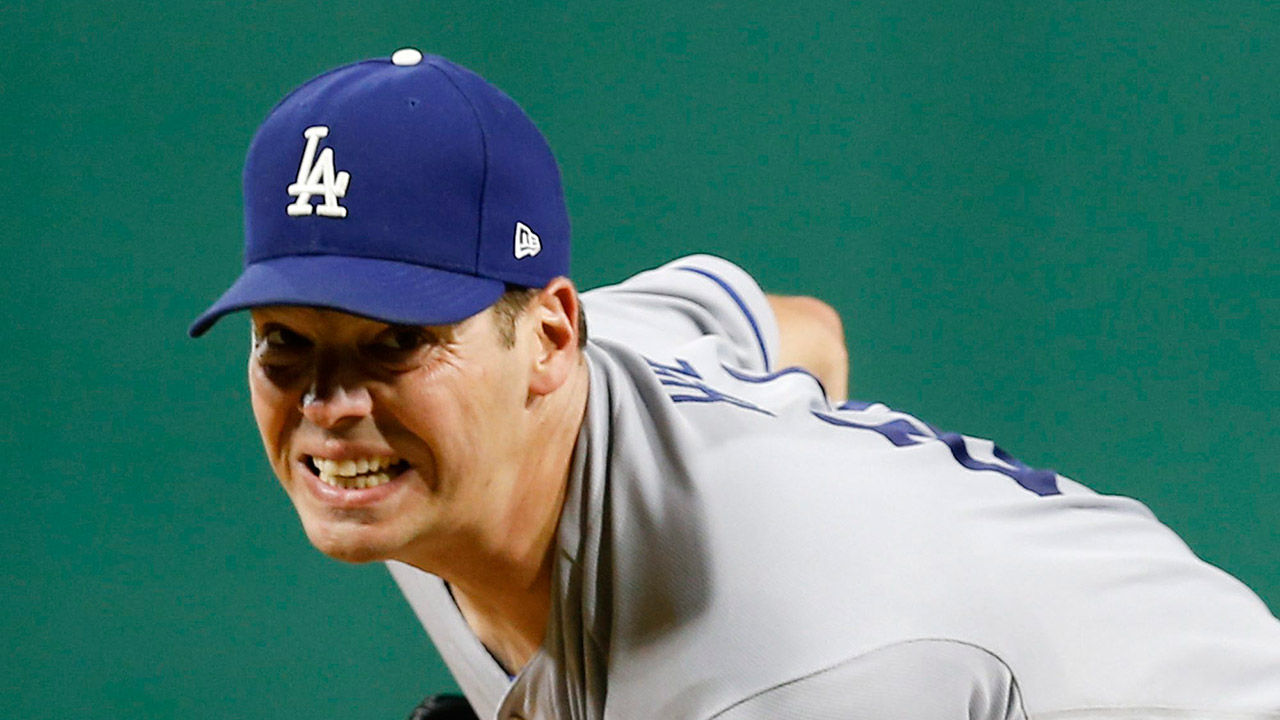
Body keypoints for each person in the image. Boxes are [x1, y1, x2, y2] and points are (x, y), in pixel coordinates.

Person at [190, 49, 1280, 720]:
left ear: (550, 337)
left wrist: (822, 516)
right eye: (285, 341)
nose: (331, 404)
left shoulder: (779, 661)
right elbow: (805, 330)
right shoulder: (550, 379)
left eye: (393, 343)